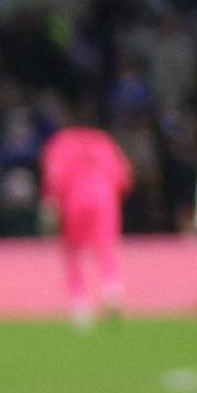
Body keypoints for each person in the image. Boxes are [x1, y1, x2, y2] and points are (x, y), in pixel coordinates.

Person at [40, 112, 134, 328]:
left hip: (74, 199)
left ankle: (80, 305)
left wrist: (51, 203)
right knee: (105, 246)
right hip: (104, 198)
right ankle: (112, 289)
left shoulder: (61, 143)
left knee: (73, 252)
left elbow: (54, 176)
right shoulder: (103, 142)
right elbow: (123, 177)